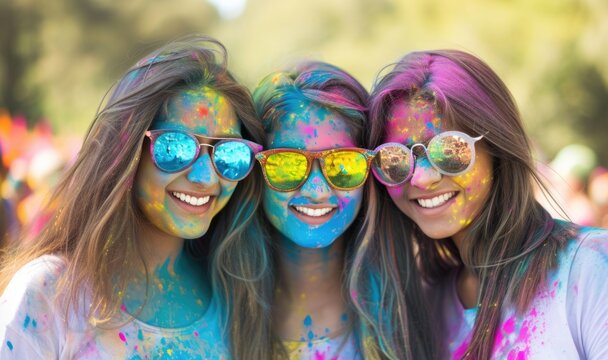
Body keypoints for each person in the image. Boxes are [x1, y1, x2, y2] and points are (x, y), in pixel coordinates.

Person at [357, 50, 608, 359]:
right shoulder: (425, 302)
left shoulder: (590, 265)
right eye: (396, 158)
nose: (422, 179)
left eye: (450, 149)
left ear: (497, 147)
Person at [0, 35, 266, 359]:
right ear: (126, 152)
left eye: (230, 153)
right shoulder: (48, 293)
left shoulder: (235, 297)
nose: (206, 177)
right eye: (175, 147)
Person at [252, 61, 372, 359]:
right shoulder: (212, 310)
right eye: (287, 163)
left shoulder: (419, 306)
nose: (316, 191)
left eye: (343, 164)